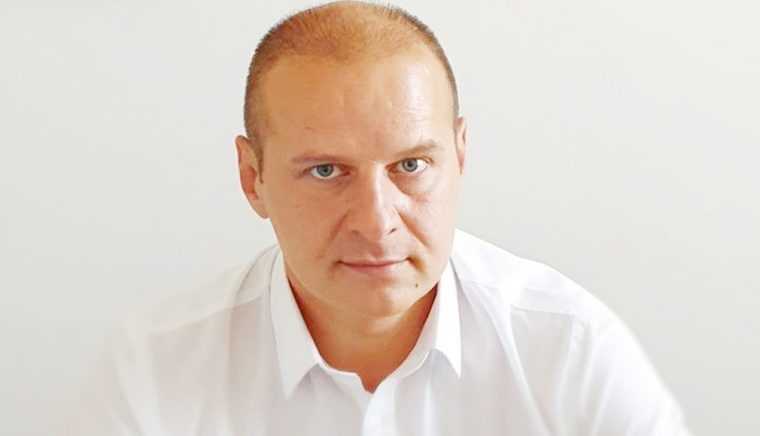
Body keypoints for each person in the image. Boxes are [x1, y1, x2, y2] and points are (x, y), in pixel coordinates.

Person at [67, 1, 693, 435]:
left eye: (411, 165)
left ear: (460, 156)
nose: (376, 222)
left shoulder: (570, 351)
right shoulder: (152, 372)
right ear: (252, 177)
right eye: (325, 171)